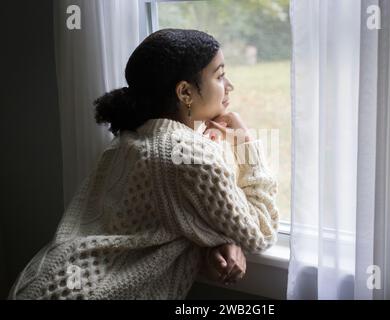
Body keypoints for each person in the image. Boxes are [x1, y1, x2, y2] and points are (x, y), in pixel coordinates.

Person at [9, 28, 279, 300]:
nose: (229, 85)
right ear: (185, 92)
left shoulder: (128, 139)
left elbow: (176, 219)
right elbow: (261, 232)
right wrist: (246, 144)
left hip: (42, 283)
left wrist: (216, 241)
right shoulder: (188, 156)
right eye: (220, 75)